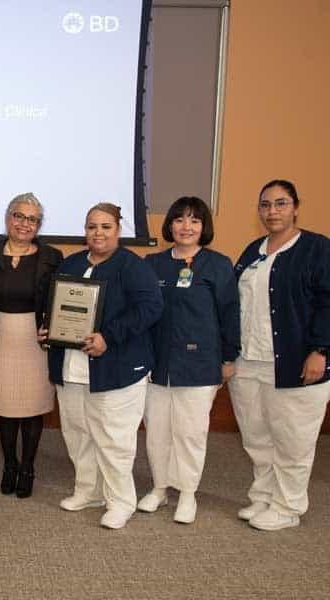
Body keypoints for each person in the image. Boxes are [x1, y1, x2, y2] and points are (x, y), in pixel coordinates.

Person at [44, 203, 163, 529]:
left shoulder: (131, 266)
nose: (98, 233)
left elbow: (151, 307)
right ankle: (89, 491)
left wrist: (109, 336)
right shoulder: (72, 263)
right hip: (72, 369)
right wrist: (49, 329)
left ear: (118, 230)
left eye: (106, 226)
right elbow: (57, 306)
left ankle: (121, 501)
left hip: (117, 369)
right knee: (78, 435)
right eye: (92, 226)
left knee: (114, 440)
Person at [229, 179, 330, 531]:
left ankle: (288, 507)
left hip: (296, 364)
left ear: (296, 207)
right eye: (266, 205)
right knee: (257, 436)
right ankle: (264, 496)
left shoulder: (317, 248)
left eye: (281, 203)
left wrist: (321, 350)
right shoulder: (253, 250)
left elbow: (327, 303)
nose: (272, 211)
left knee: (293, 440)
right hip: (249, 361)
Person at [138, 197, 239, 524]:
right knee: (157, 432)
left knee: (190, 433)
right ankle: (159, 489)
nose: (186, 227)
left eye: (194, 220)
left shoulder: (218, 264)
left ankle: (187, 494)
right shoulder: (152, 264)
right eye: (180, 219)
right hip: (158, 364)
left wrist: (228, 356)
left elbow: (230, 315)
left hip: (200, 364)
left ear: (203, 227)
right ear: (169, 224)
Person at [0, 193, 61, 498]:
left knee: (32, 409)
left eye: (32, 219)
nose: (24, 224)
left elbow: (59, 300)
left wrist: (53, 326)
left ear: (39, 225)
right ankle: (9, 465)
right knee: (5, 407)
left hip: (35, 340)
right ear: (8, 218)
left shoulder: (51, 257)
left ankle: (27, 467)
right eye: (19, 216)